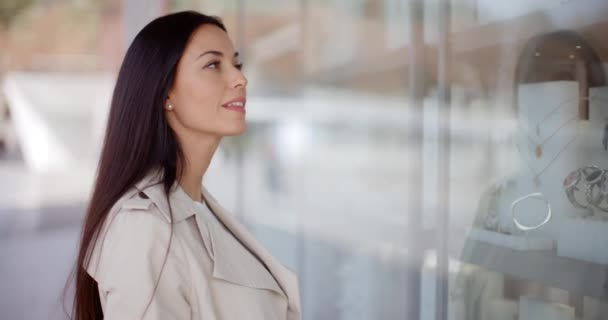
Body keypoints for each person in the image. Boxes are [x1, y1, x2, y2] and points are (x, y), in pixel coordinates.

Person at [68, 11, 301, 320]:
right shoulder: (142, 227)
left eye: (236, 64)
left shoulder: (197, 208)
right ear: (165, 91)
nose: (240, 78)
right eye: (213, 65)